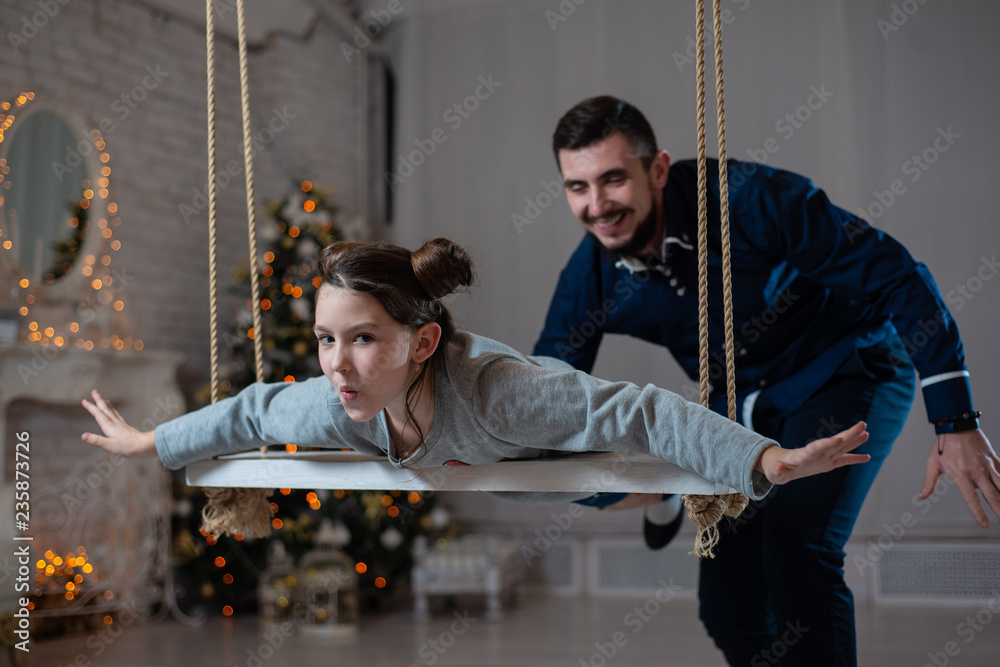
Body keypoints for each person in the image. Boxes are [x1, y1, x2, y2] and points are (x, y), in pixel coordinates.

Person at [534, 95, 1000, 666]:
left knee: (796, 547)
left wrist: (955, 419)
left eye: (612, 180)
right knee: (728, 602)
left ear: (656, 169)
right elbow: (545, 399)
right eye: (577, 188)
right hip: (741, 410)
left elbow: (896, 276)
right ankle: (671, 490)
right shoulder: (591, 274)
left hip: (848, 369)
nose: (597, 205)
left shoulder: (747, 199)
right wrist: (632, 487)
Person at [81, 238, 871, 529]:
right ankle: (653, 499)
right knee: (573, 494)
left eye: (363, 340)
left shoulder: (502, 393)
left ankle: (666, 494)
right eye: (326, 339)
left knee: (603, 475)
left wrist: (768, 462)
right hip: (494, 470)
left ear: (423, 340)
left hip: (532, 434)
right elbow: (253, 409)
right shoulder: (335, 399)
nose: (337, 364)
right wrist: (150, 439)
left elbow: (638, 409)